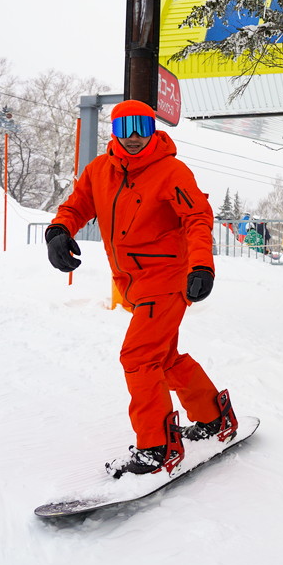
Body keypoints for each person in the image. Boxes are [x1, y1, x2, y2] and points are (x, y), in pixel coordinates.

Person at [44, 99, 238, 478]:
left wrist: (202, 265)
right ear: (113, 132)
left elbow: (196, 218)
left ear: (153, 130)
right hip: (133, 283)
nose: (133, 137)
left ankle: (156, 448)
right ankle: (212, 417)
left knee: (138, 358)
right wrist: (59, 230)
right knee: (162, 359)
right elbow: (77, 205)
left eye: (142, 128)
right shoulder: (100, 170)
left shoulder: (171, 172)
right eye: (124, 128)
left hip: (167, 280)